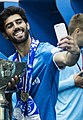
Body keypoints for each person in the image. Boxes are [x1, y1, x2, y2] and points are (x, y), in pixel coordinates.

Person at [0, 6, 80, 120]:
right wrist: (9, 90)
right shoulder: (10, 64)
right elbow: (7, 104)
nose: (16, 27)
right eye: (10, 26)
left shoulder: (45, 52)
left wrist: (75, 53)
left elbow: (66, 59)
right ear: (5, 35)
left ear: (27, 25)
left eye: (19, 22)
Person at [55, 13, 83, 120]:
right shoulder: (57, 55)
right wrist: (72, 81)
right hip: (64, 117)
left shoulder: (81, 54)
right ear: (77, 31)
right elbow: (48, 87)